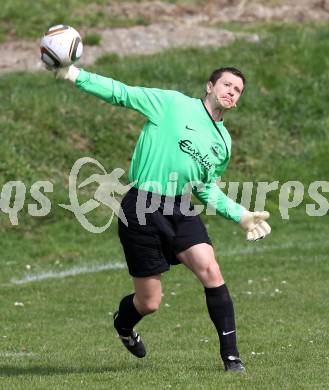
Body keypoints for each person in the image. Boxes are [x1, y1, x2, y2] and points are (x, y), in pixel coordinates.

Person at [47, 63, 271, 373]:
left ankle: (232, 358)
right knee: (150, 302)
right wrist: (74, 74)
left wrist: (241, 215)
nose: (232, 91)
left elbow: (205, 189)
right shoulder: (171, 104)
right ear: (210, 86)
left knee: (211, 270)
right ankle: (123, 324)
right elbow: (121, 93)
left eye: (238, 90)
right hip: (141, 207)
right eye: (227, 84)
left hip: (181, 208)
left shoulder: (223, 143)